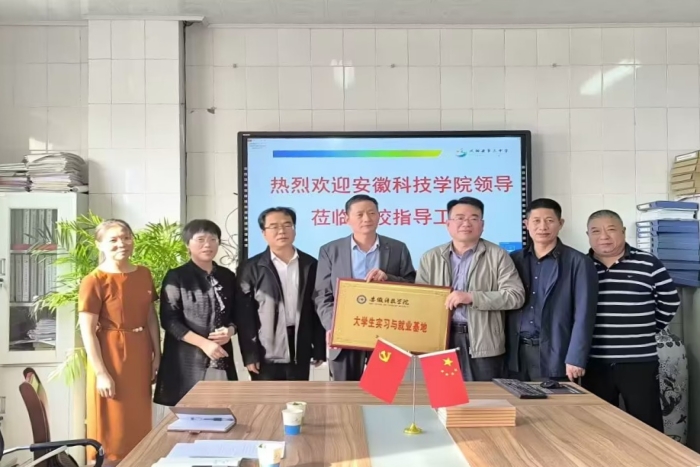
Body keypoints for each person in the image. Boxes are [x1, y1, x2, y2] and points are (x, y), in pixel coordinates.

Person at [582, 209, 679, 431]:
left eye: (611, 229)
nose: (604, 236)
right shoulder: (581, 265)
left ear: (623, 231)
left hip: (639, 361)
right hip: (594, 362)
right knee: (598, 427)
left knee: (647, 425)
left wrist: (646, 329)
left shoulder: (648, 263)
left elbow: (670, 301)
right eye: (595, 231)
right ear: (588, 235)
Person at [77, 219, 160, 465]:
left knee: (139, 424)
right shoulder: (93, 280)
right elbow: (87, 331)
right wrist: (101, 373)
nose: (122, 243)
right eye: (113, 240)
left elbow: (150, 316)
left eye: (126, 237)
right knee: (112, 429)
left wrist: (157, 355)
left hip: (140, 354)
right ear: (99, 245)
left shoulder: (144, 274)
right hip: (110, 356)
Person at [416, 197, 525, 381]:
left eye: (473, 218)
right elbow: (421, 300)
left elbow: (515, 296)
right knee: (443, 394)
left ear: (482, 225)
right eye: (459, 218)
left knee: (483, 396)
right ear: (448, 224)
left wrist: (472, 297)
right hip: (442, 341)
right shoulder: (430, 257)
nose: (466, 223)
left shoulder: (498, 255)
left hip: (484, 342)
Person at [153, 219, 260, 407]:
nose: (207, 245)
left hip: (220, 357)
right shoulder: (177, 276)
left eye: (213, 239)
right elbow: (169, 320)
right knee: (189, 413)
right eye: (200, 239)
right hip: (186, 360)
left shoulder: (227, 276)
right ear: (188, 244)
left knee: (222, 410)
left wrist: (230, 331)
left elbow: (237, 314)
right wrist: (204, 344)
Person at [314, 194, 416, 381]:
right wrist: (333, 326)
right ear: (346, 218)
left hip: (386, 331)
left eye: (372, 213)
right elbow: (323, 295)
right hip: (346, 332)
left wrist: (388, 278)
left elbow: (412, 287)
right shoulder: (330, 250)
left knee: (382, 389)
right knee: (345, 393)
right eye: (360, 214)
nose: (367, 218)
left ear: (379, 216)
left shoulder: (398, 248)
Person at [508, 198, 598, 382]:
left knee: (554, 401)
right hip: (516, 354)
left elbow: (584, 314)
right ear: (526, 224)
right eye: (536, 221)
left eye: (549, 220)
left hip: (556, 354)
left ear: (560, 223)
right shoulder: (513, 260)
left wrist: (576, 358)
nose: (543, 227)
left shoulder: (578, 262)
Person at [238, 207, 326, 380]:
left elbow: (317, 308)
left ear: (294, 230)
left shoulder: (311, 264)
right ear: (264, 233)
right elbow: (245, 316)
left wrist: (319, 348)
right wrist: (250, 354)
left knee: (298, 395)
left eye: (287, 225)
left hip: (300, 345)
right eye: (274, 226)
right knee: (267, 397)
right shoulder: (250, 267)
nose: (281, 231)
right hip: (266, 350)